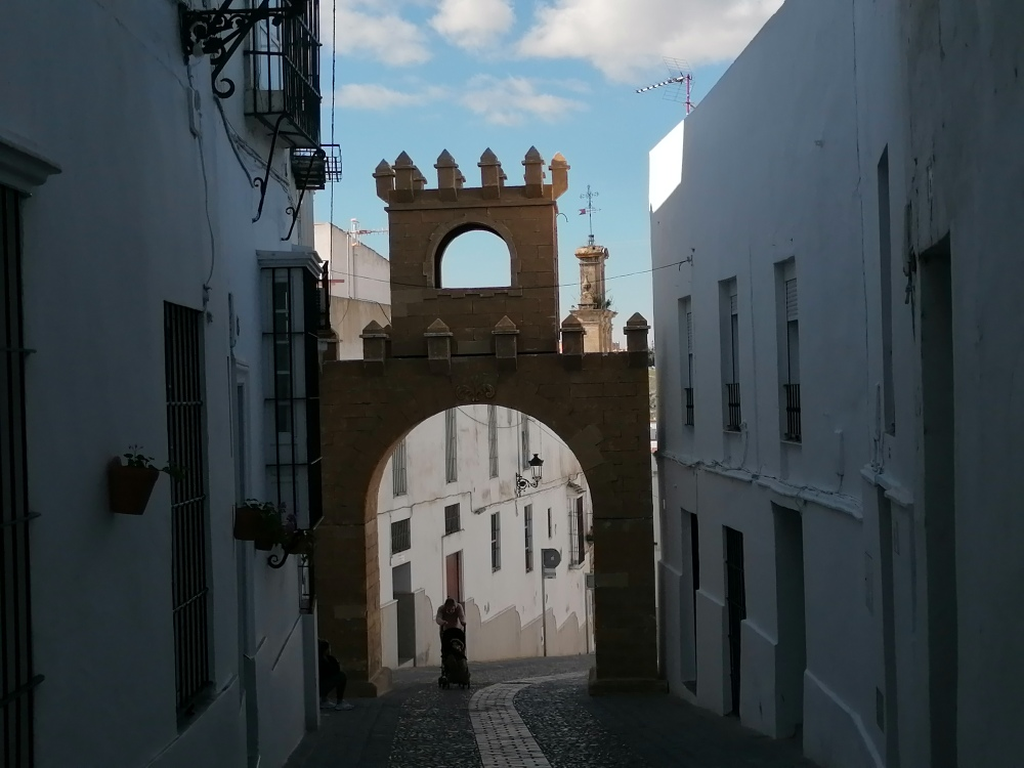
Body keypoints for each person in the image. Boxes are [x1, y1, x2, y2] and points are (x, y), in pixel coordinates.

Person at [318, 639, 353, 711]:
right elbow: (333, 670)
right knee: (341, 676)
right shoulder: (323, 660)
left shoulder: (319, 658)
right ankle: (339, 702)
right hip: (320, 687)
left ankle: (323, 699)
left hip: (318, 686)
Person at [435, 598, 466, 662]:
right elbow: (438, 618)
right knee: (444, 645)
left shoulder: (459, 607)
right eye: (449, 610)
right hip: (446, 630)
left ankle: (463, 657)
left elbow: (462, 616)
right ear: (446, 607)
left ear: (455, 607)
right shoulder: (441, 609)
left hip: (458, 629)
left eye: (452, 609)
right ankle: (444, 660)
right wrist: (442, 622)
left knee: (462, 642)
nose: (451, 611)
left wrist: (463, 621)